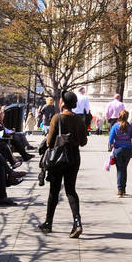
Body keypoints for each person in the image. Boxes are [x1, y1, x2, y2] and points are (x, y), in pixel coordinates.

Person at [38, 91, 89, 237]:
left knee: (54, 191)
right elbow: (84, 142)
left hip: (58, 158)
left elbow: (49, 141)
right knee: (71, 190)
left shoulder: (57, 118)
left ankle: (48, 223)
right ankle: (77, 222)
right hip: (73, 157)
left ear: (63, 103)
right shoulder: (79, 119)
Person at [107, 110, 132, 197]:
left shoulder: (115, 126)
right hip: (127, 149)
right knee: (124, 168)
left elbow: (110, 140)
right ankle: (123, 188)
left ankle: (120, 190)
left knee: (119, 169)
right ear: (127, 117)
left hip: (118, 149)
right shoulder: (130, 127)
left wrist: (113, 144)